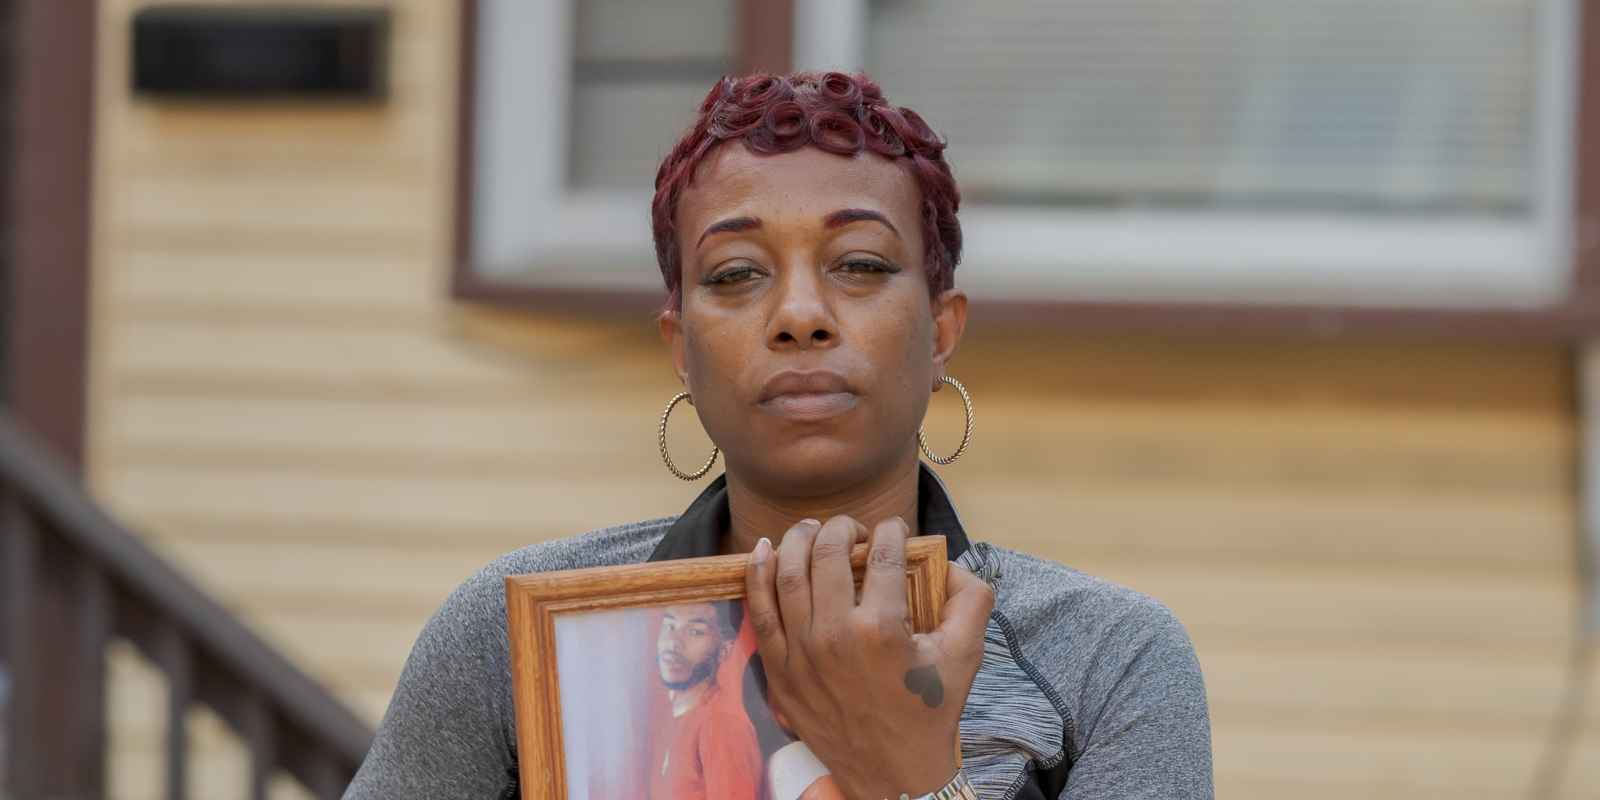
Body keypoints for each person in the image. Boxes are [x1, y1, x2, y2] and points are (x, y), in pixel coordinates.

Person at [345, 71, 1212, 800]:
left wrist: (911, 775)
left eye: (861, 265)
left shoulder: (1107, 660)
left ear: (941, 330)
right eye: (735, 275)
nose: (800, 315)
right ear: (680, 346)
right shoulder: (519, 641)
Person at [647, 602, 763, 800]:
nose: (673, 642)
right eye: (670, 626)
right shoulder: (673, 713)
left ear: (724, 650)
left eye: (694, 632)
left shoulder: (721, 725)